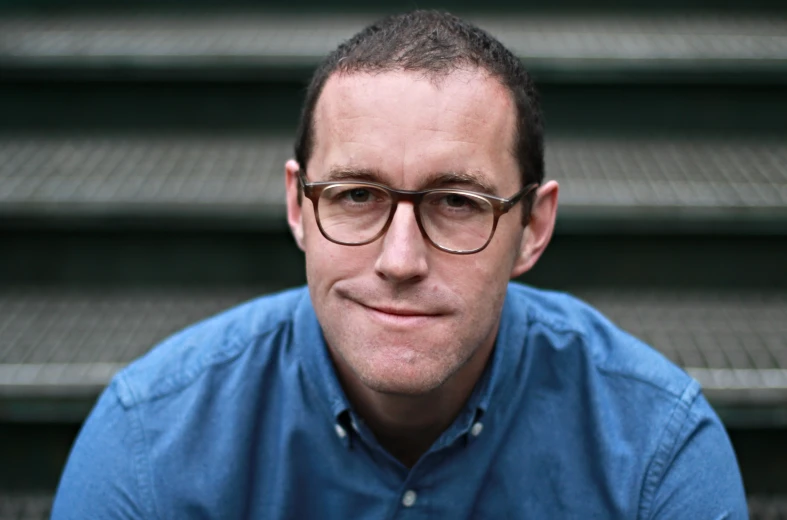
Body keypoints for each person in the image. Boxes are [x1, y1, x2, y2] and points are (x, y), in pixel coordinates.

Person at [52, 10, 747, 519]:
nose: (400, 259)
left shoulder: (655, 450)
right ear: (297, 207)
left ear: (532, 228)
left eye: (456, 201)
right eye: (356, 195)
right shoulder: (149, 441)